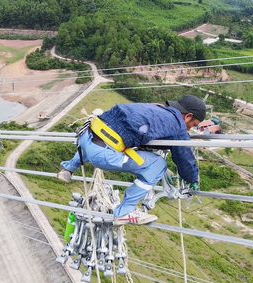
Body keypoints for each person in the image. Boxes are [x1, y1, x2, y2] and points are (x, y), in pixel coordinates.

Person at [57, 95, 206, 226]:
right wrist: (192, 177)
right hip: (102, 154)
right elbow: (184, 158)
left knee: (104, 140)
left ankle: (68, 170)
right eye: (192, 125)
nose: (189, 130)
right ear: (188, 116)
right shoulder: (179, 126)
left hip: (85, 138)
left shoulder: (154, 108)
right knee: (159, 164)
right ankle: (124, 212)